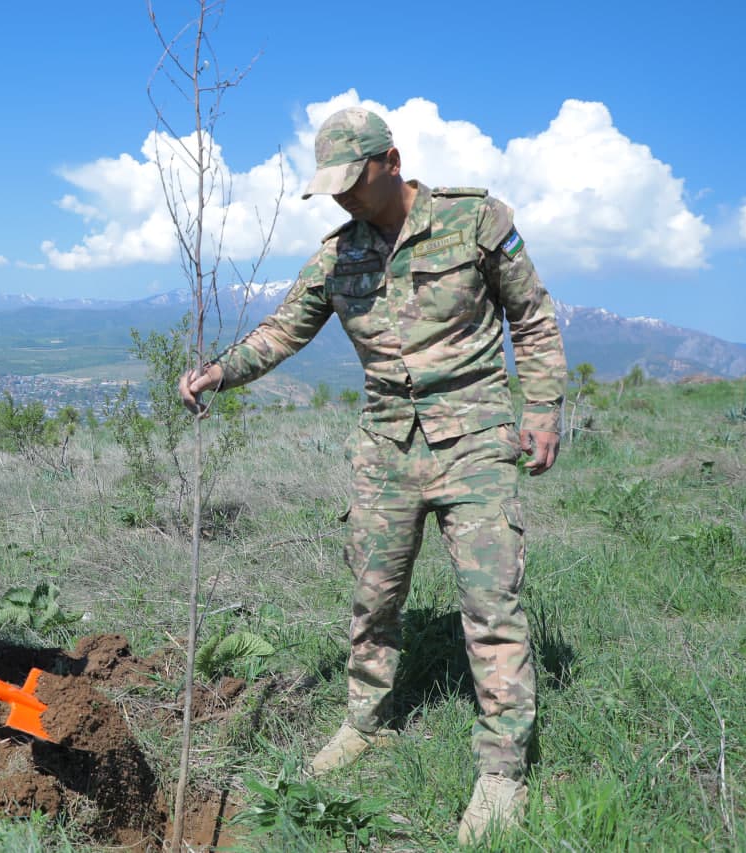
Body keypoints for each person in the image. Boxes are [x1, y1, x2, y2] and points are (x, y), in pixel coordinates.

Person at [179, 107, 567, 844]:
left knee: (491, 604)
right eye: (333, 189)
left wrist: (542, 409)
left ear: (392, 160)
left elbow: (534, 317)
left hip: (475, 437)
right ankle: (366, 722)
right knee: (373, 595)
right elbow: (282, 330)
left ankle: (501, 771)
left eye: (354, 182)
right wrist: (218, 374)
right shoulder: (337, 256)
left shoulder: (475, 218)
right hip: (385, 447)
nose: (344, 198)